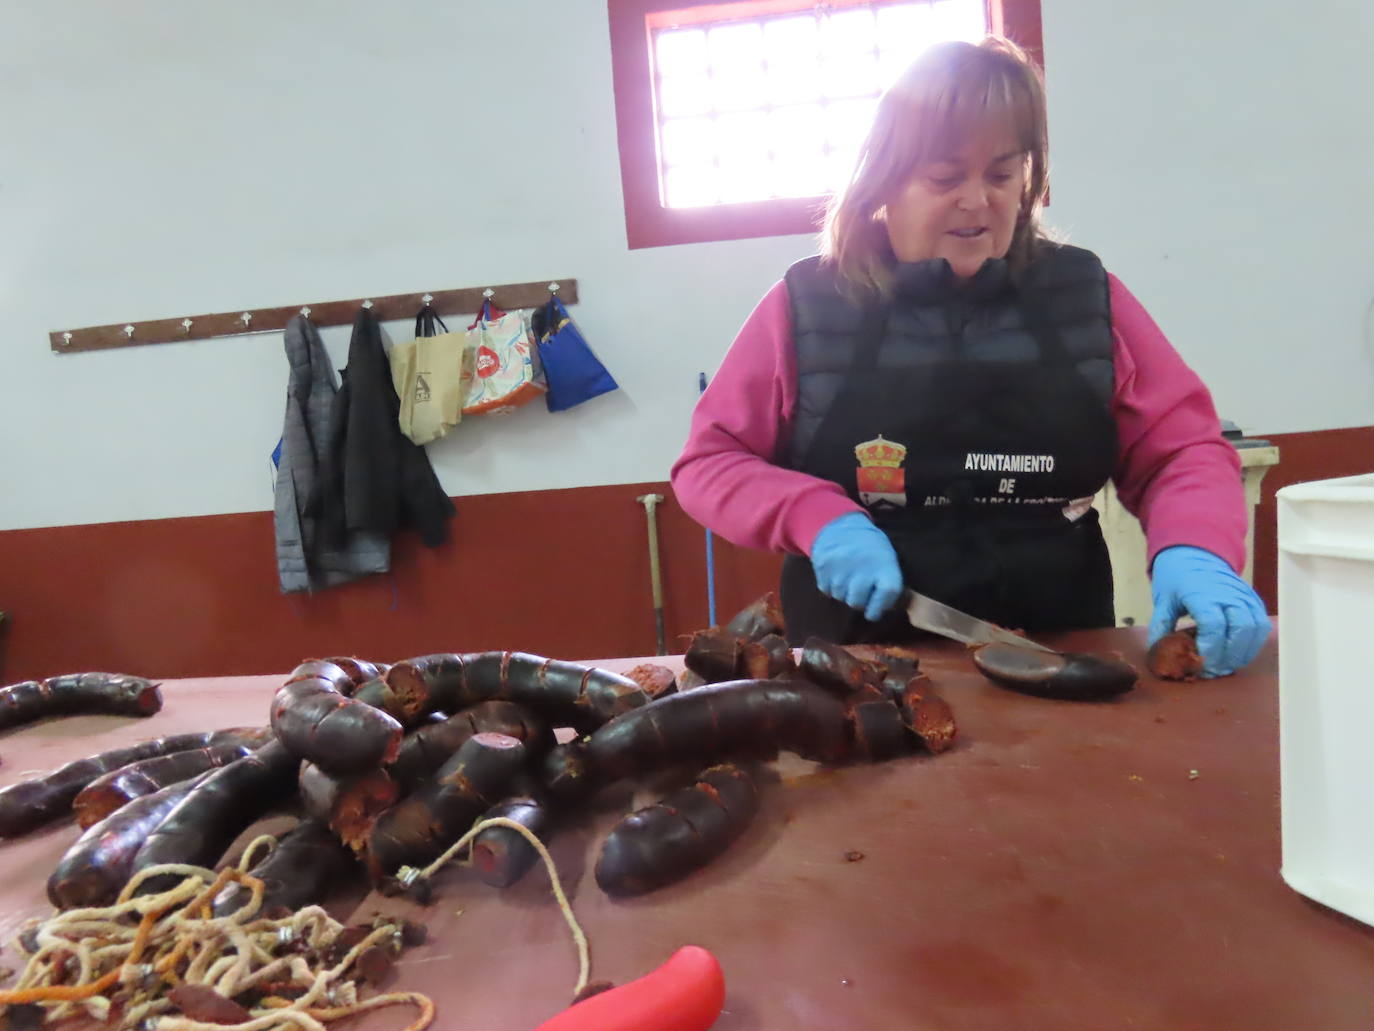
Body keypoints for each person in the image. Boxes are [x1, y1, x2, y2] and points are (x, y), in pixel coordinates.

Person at [670, 36, 1270, 678]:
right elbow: (710, 463)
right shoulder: (809, 304)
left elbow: (1181, 449)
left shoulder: (1087, 297)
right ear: (885, 180)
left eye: (1002, 175)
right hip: (855, 667)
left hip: (1061, 649)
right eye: (945, 177)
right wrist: (819, 519)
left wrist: (1196, 548)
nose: (978, 200)